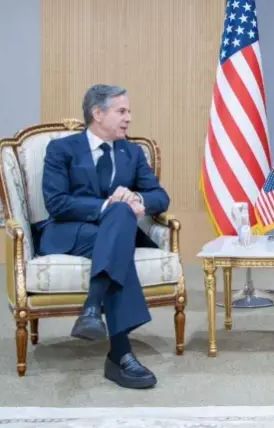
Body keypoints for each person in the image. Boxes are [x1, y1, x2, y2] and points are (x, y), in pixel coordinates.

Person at [32, 84, 170, 389]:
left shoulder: (132, 152)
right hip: (70, 231)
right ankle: (120, 353)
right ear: (98, 113)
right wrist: (110, 205)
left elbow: (161, 197)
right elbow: (57, 203)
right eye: (122, 111)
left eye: (129, 111)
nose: (129, 118)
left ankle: (93, 309)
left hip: (111, 234)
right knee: (118, 224)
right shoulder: (62, 149)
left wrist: (137, 199)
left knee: (120, 220)